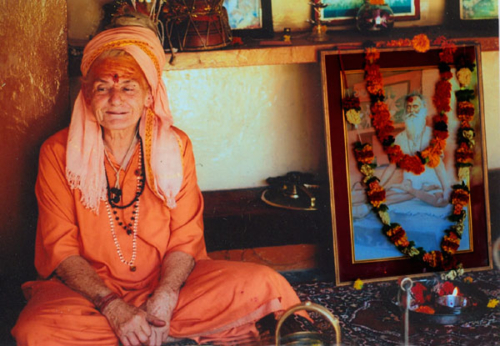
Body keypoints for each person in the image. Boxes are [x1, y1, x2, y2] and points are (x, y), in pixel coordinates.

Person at [11, 14, 306, 346]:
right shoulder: (57, 152)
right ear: (87, 96)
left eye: (128, 87)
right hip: (89, 294)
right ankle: (163, 332)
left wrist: (165, 295)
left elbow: (184, 238)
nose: (116, 99)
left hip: (169, 285)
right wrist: (112, 306)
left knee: (264, 284)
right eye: (103, 87)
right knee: (35, 331)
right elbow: (60, 249)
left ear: (149, 95)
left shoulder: (176, 147)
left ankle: (148, 328)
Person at [379, 92, 451, 207]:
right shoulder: (399, 139)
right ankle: (411, 191)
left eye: (415, 106)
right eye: (409, 107)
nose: (411, 110)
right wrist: (379, 187)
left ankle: (414, 192)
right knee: (386, 199)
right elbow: (392, 166)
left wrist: (446, 188)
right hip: (409, 182)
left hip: (430, 182)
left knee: (440, 201)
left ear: (424, 109)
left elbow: (439, 165)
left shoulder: (433, 135)